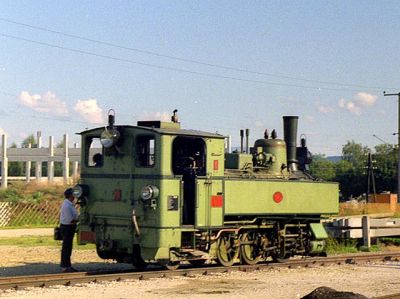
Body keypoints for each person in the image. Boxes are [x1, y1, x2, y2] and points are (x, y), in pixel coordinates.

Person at [60, 188, 79, 273]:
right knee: (66, 248)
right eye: (74, 194)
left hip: (68, 227)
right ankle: (65, 266)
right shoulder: (67, 206)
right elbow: (70, 220)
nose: (75, 196)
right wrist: (80, 219)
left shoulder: (69, 204)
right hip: (67, 227)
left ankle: (67, 265)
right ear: (71, 195)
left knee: (68, 247)